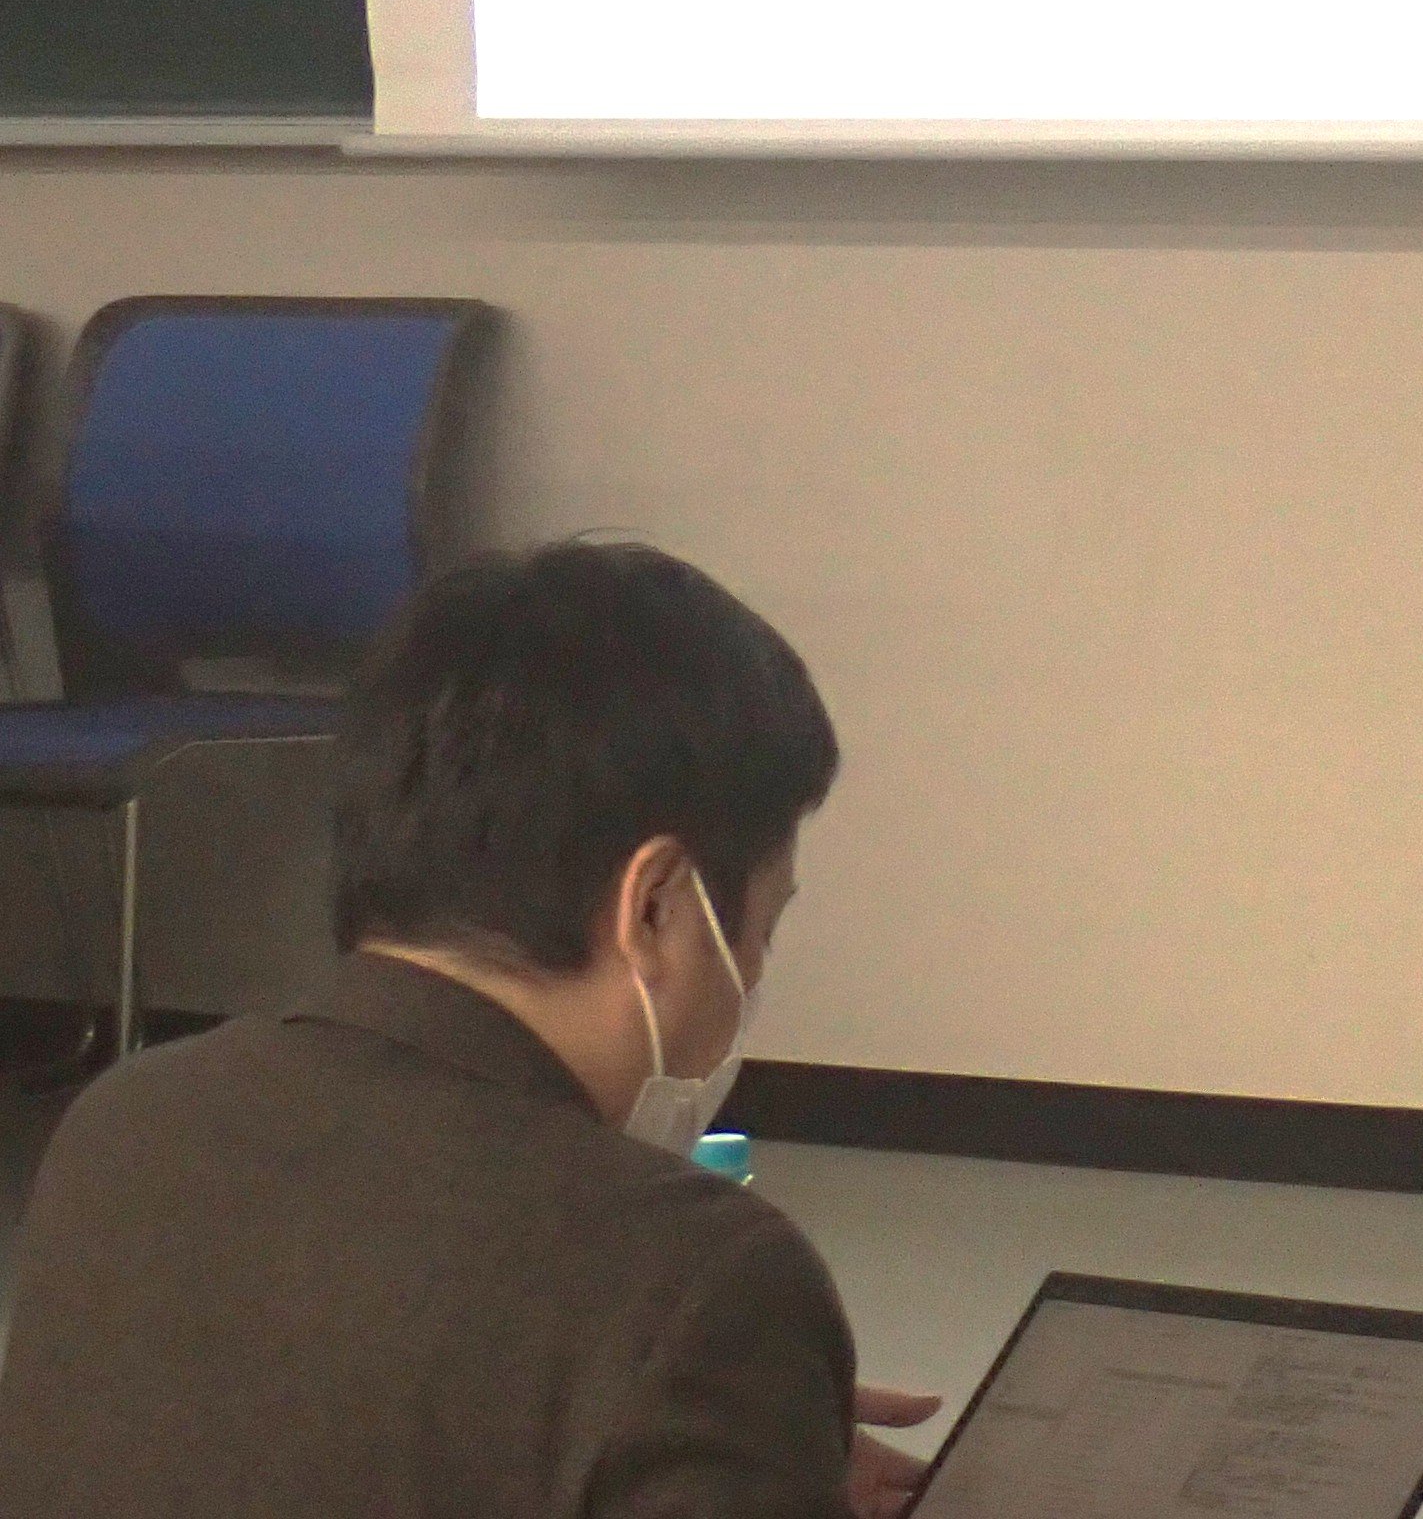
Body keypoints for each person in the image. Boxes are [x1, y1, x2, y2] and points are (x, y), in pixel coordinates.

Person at [0, 540, 938, 1519]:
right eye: (761, 930)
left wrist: (738, 1443)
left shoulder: (126, 1125)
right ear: (657, 908)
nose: (751, 977)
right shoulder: (698, 1280)